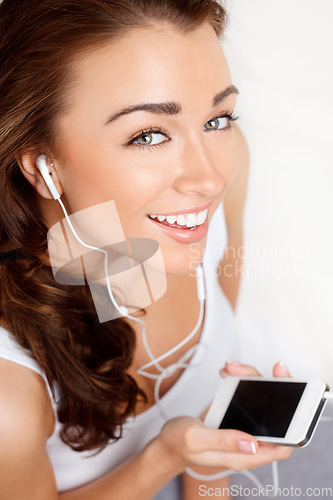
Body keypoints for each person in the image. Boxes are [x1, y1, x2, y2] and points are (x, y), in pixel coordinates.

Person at [0, 1, 292, 499]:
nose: (209, 177)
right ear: (41, 164)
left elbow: (225, 291)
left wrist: (208, 469)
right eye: (149, 135)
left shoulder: (199, 198)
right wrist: (167, 456)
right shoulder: (11, 396)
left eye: (217, 118)